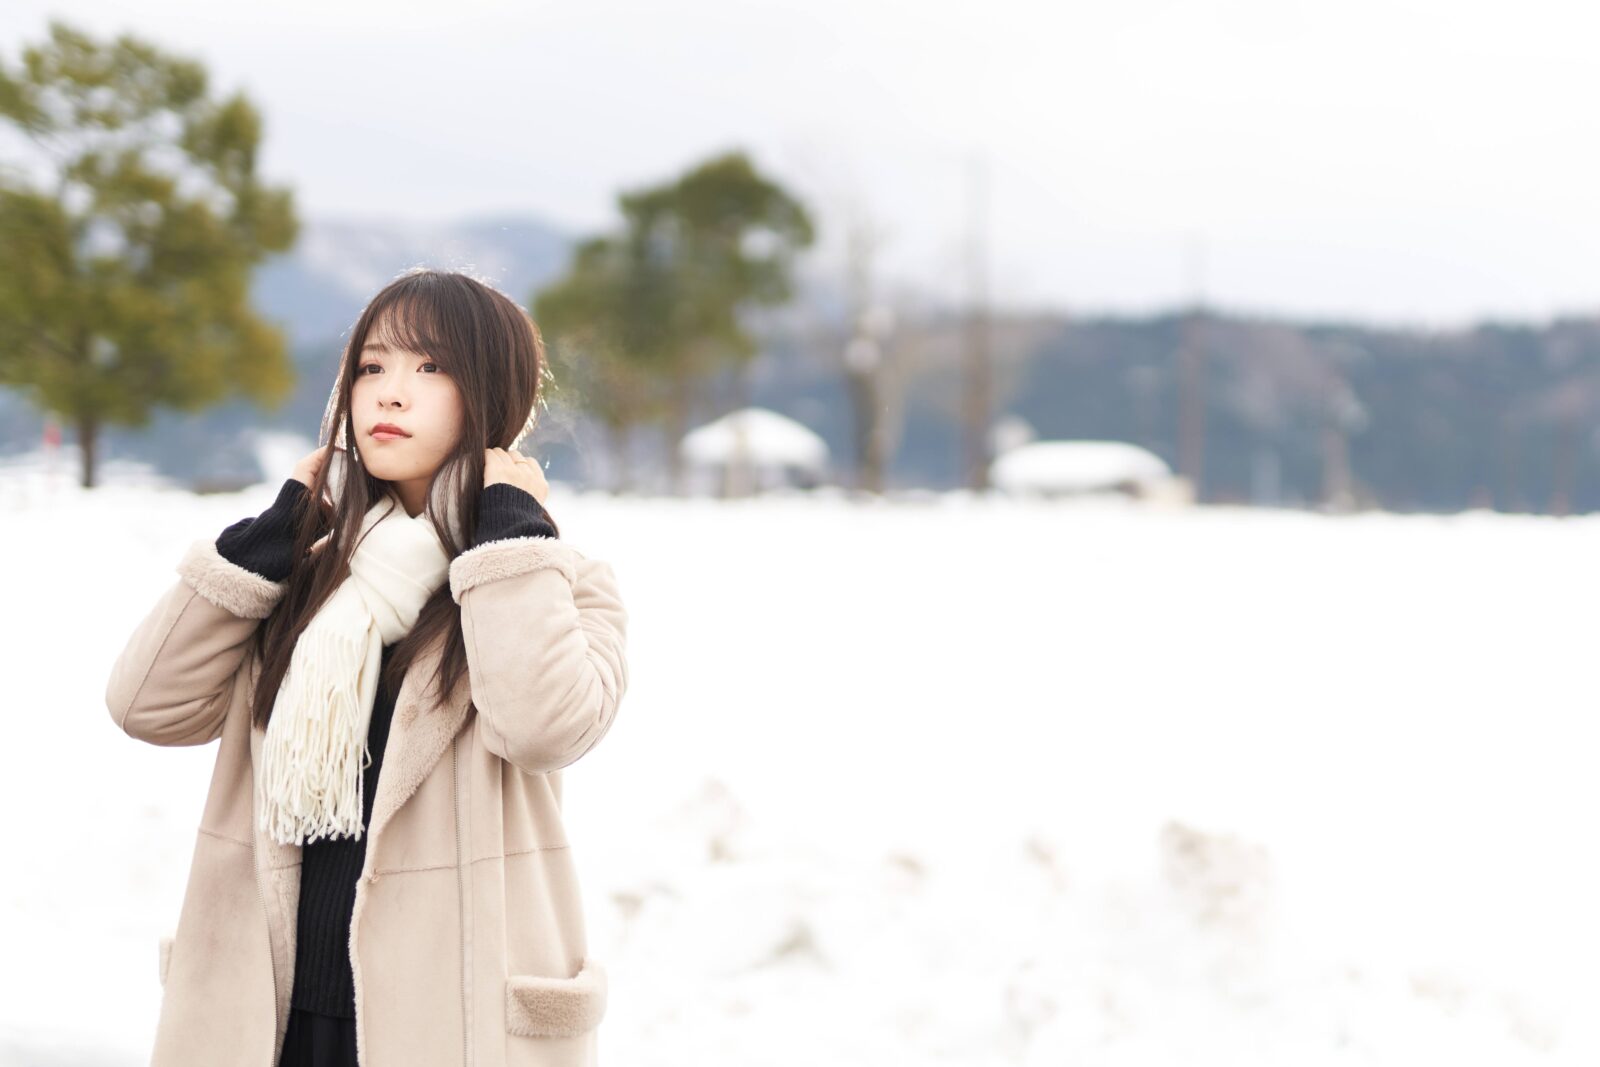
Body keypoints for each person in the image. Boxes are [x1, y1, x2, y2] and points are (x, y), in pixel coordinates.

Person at [105, 269, 630, 1067]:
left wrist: (509, 539)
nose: (389, 391)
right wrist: (278, 529)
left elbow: (542, 727)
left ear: (493, 392)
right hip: (268, 1017)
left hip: (448, 1026)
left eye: (431, 367)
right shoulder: (307, 573)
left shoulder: (552, 579)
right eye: (371, 366)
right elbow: (146, 703)